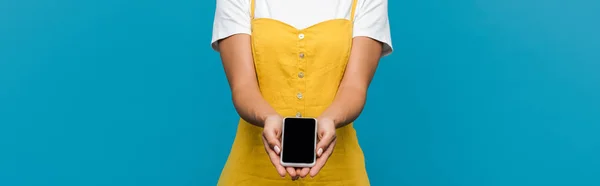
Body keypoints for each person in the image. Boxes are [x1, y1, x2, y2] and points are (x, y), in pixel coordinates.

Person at [211, 0, 392, 185]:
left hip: (340, 175)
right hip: (250, 175)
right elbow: (243, 86)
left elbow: (355, 86)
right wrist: (268, 117)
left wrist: (331, 119)